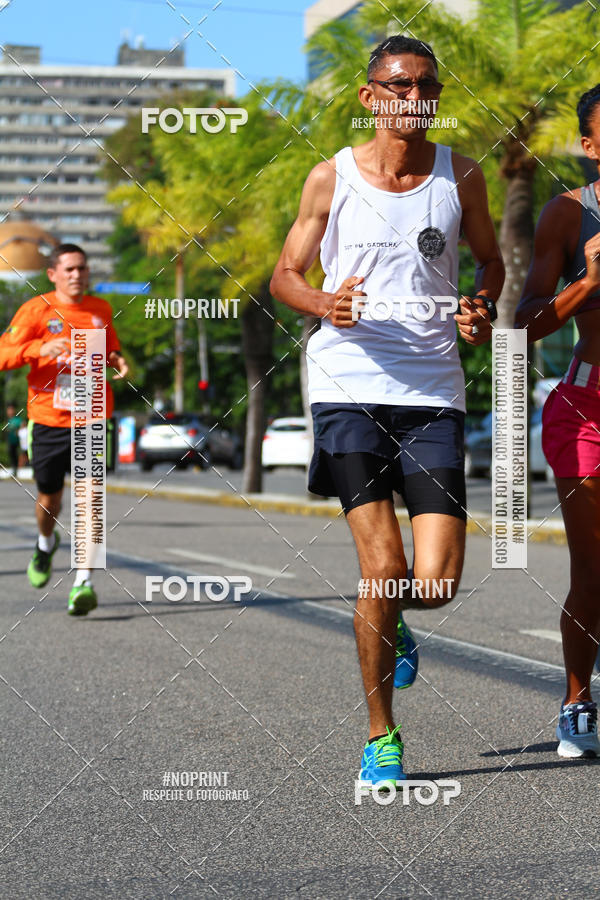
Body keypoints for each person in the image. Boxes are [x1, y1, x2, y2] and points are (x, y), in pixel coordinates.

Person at [271, 34, 504, 785]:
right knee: (385, 566)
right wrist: (321, 302)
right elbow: (285, 273)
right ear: (370, 98)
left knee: (432, 584)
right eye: (398, 86)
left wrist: (480, 307)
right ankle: (381, 738)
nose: (413, 98)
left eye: (426, 86)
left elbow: (491, 262)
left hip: (433, 391)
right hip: (346, 387)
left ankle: (397, 624)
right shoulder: (329, 178)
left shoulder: (460, 175)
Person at [516, 85, 600, 759]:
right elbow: (523, 323)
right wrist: (586, 285)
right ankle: (577, 701)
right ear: (590, 144)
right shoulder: (567, 217)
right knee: (594, 570)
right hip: (586, 406)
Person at [0, 243, 128, 615]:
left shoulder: (100, 309)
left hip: (90, 415)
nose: (77, 275)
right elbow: (4, 354)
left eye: (82, 269)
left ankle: (83, 582)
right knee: (49, 500)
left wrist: (116, 358)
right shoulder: (34, 310)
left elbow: (109, 346)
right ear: (53, 274)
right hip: (48, 420)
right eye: (69, 269)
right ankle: (44, 543)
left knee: (90, 500)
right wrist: (39, 348)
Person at [4, 402, 22, 476]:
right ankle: (14, 470)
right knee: (12, 455)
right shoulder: (8, 420)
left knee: (18, 455)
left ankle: (16, 470)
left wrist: (18, 432)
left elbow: (22, 428)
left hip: (18, 441)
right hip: (10, 441)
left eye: (11, 410)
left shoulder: (17, 419)